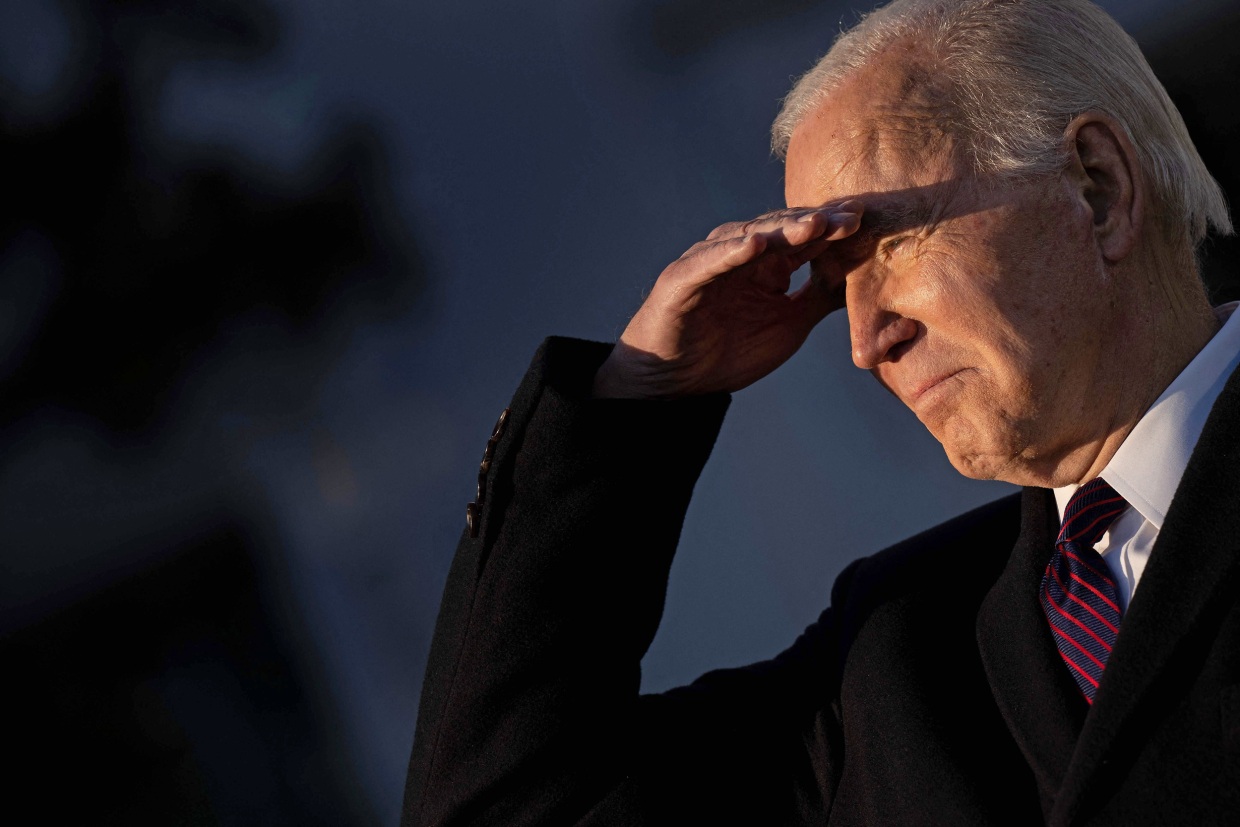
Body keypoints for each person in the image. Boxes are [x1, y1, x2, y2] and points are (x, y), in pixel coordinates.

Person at [403, 0, 1240, 824]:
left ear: (1097, 189)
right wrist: (642, 397)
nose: (866, 342)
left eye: (891, 244)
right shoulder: (897, 649)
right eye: (839, 288)